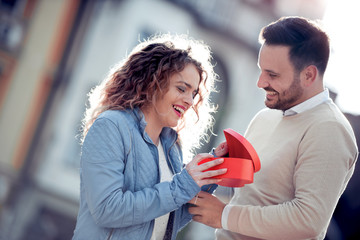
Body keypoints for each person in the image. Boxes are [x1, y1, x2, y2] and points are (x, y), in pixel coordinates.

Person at [188, 16, 358, 239]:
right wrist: (222, 166)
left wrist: (224, 215)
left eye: (273, 75)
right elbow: (253, 196)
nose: (261, 82)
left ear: (309, 75)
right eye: (262, 70)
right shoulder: (266, 116)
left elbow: (308, 221)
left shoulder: (330, 129)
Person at [72, 33, 228, 240]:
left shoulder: (171, 146)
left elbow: (164, 220)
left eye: (194, 93)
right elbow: (106, 210)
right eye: (182, 88)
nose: (190, 101)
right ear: (152, 82)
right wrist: (182, 185)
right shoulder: (111, 126)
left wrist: (208, 172)